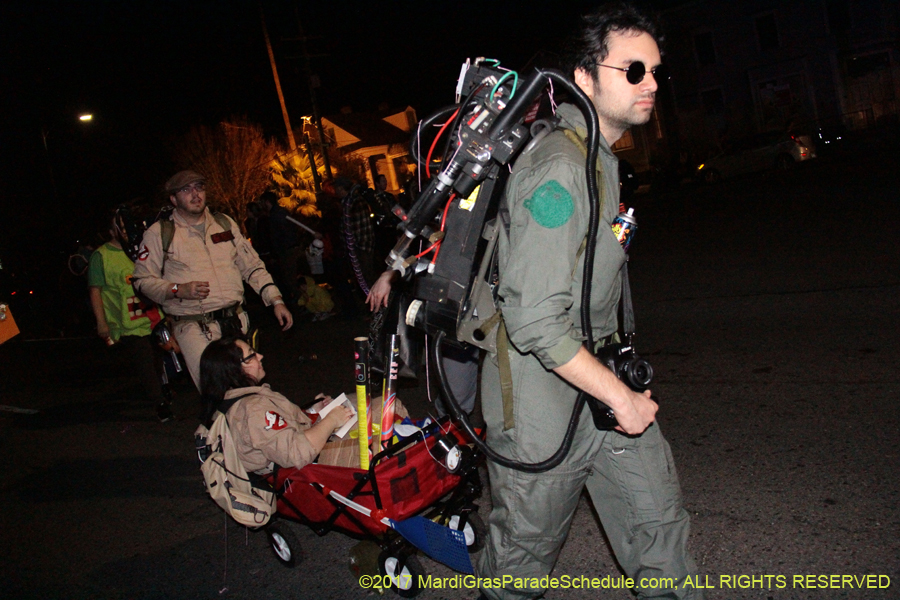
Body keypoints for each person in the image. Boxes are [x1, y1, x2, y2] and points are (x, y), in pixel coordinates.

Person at [477, 4, 700, 600]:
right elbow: (534, 320)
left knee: (662, 533)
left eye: (655, 70)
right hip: (541, 406)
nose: (650, 82)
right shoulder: (557, 169)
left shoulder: (603, 159)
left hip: (599, 379)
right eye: (632, 70)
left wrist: (616, 390)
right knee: (519, 568)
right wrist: (621, 398)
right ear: (583, 77)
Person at [132, 170, 293, 390]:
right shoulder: (159, 233)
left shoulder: (224, 223)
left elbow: (252, 266)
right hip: (194, 327)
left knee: (249, 388)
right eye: (186, 190)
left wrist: (275, 300)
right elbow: (142, 281)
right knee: (217, 394)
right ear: (173, 199)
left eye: (199, 187)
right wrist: (178, 289)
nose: (195, 194)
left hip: (235, 323)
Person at [199, 337, 354, 473]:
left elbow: (277, 430)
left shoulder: (228, 399)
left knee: (354, 406)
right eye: (251, 355)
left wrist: (313, 412)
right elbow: (296, 453)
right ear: (233, 369)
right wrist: (331, 420)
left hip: (289, 462)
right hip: (298, 475)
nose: (260, 356)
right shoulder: (254, 408)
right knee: (365, 418)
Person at [88, 212, 172, 421]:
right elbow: (95, 290)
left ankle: (163, 389)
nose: (127, 232)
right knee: (144, 360)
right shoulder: (101, 256)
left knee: (158, 357)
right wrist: (101, 322)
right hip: (128, 322)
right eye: (122, 228)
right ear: (111, 232)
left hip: (152, 315)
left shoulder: (139, 250)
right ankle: (159, 402)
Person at [260, 191, 302, 307]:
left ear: (267, 202)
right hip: (287, 248)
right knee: (289, 277)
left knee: (290, 277)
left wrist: (280, 249)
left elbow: (280, 234)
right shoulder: (279, 213)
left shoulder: (276, 215)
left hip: (286, 249)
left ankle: (302, 300)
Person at [333, 176, 376, 289]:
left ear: (342, 189)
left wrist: (351, 246)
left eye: (336, 188)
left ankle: (375, 303)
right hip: (359, 247)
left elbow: (356, 228)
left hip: (361, 247)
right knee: (363, 279)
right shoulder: (349, 201)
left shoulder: (354, 202)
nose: (335, 191)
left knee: (365, 279)